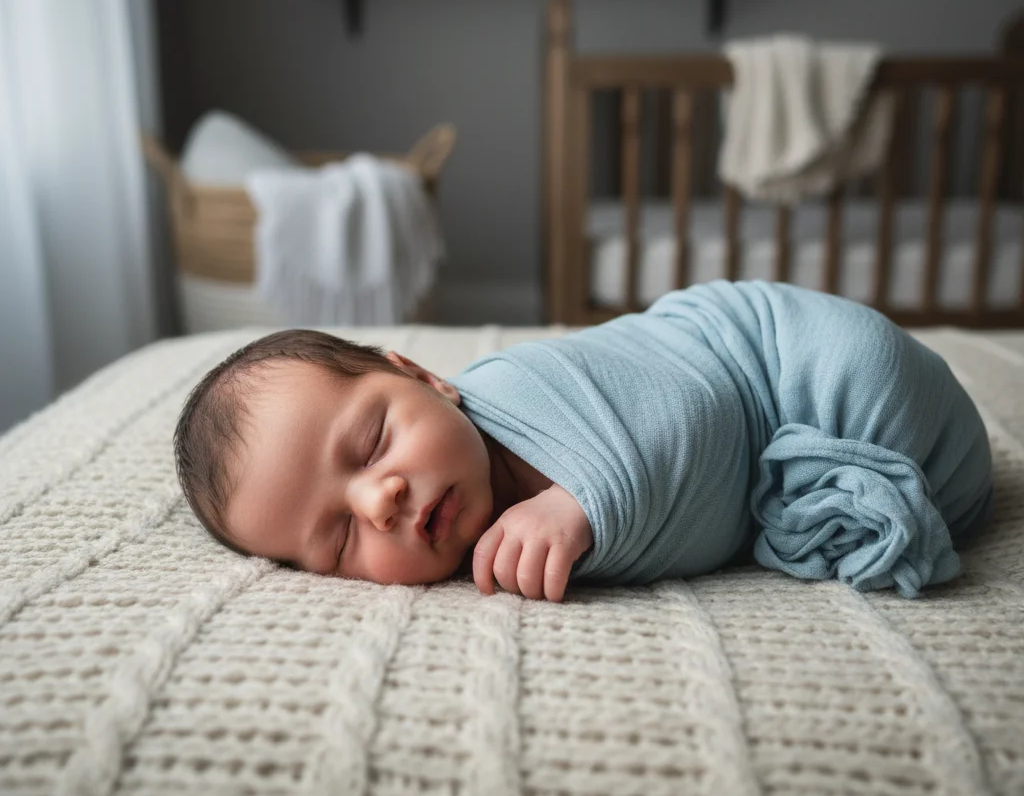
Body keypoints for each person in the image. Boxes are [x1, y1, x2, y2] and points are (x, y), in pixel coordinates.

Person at [174, 281, 993, 603]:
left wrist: (580, 504)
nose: (379, 500)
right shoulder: (465, 529)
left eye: (373, 442)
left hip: (788, 363)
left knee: (867, 373)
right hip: (768, 432)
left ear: (423, 376)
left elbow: (696, 400)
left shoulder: (525, 391)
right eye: (339, 538)